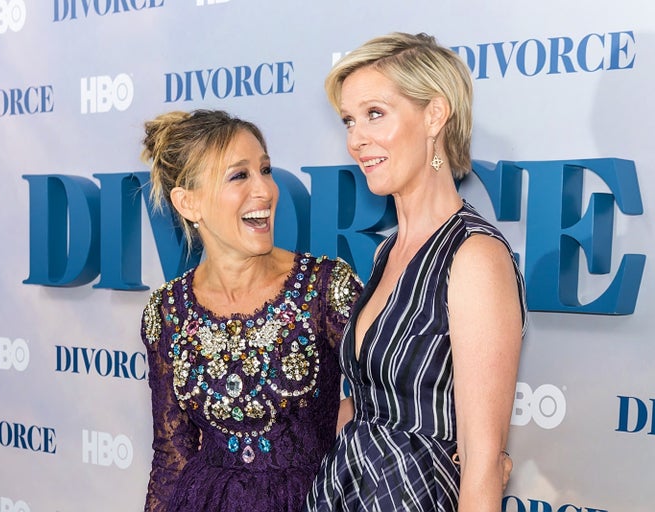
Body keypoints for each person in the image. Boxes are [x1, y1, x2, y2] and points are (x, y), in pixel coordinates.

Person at [305, 32, 527, 511]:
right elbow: (371, 409)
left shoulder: (474, 256)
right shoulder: (388, 251)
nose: (356, 139)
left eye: (375, 114)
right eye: (349, 120)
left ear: (434, 115)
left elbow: (482, 457)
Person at [139, 109, 363, 512]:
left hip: (311, 501)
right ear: (188, 203)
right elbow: (171, 455)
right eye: (239, 175)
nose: (265, 190)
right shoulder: (167, 311)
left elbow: (396, 400)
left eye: (265, 169)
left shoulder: (324, 287)